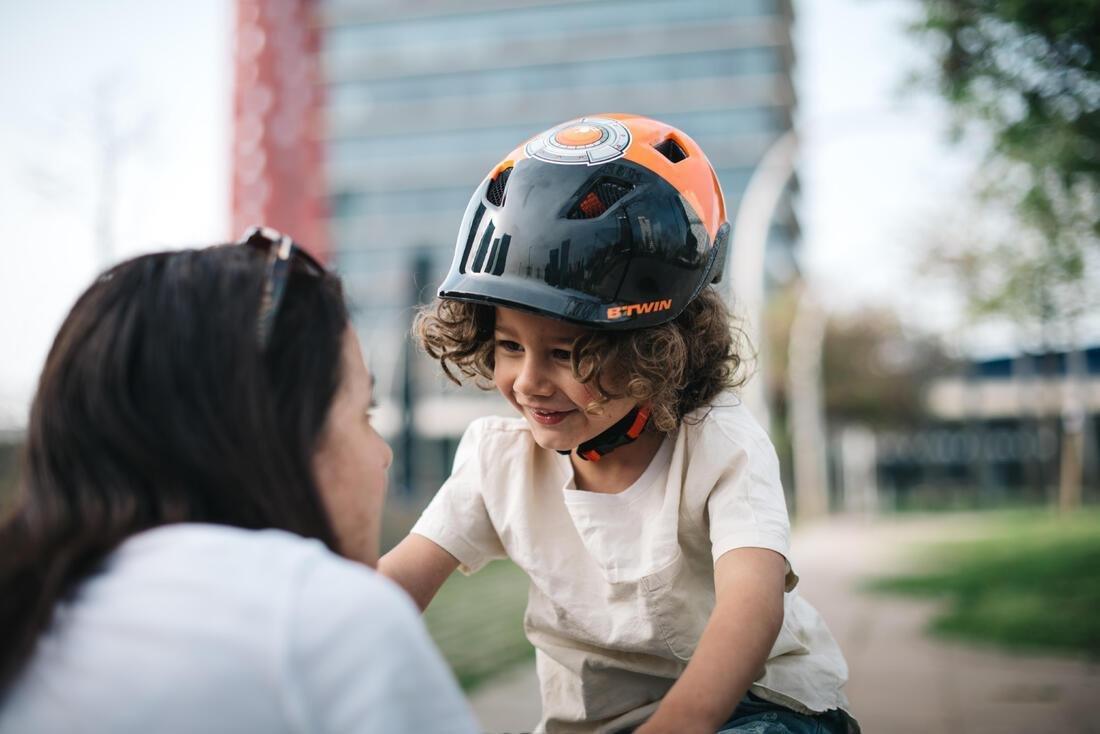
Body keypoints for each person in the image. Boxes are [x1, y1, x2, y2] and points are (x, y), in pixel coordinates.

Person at [380, 115, 860, 734]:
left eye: (565, 353)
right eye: (508, 345)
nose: (528, 381)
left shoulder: (718, 444)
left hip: (756, 708)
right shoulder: (497, 460)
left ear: (656, 348)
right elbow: (395, 584)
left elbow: (752, 610)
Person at [0, 228, 479, 734]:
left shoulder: (29, 608)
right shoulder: (322, 622)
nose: (382, 454)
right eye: (365, 412)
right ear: (271, 432)